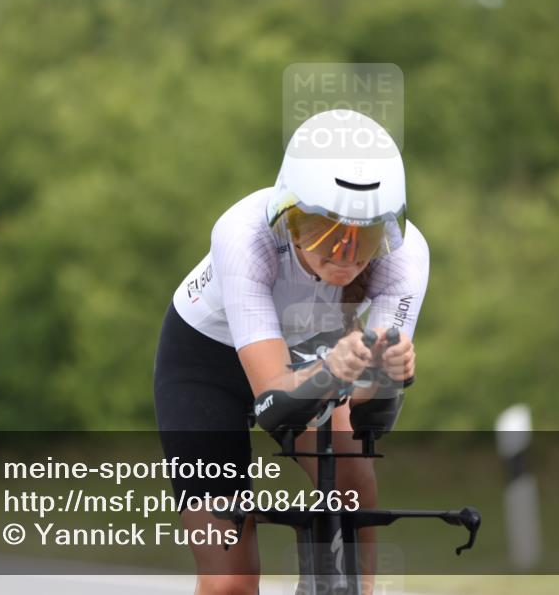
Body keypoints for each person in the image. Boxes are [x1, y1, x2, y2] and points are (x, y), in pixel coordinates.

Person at [153, 109, 429, 595]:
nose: (344, 253)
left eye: (364, 235)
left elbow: (368, 413)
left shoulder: (404, 255)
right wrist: (334, 370)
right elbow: (273, 401)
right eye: (322, 230)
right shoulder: (244, 234)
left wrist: (385, 376)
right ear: (288, 215)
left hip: (311, 355)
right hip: (206, 361)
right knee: (230, 580)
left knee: (353, 480)